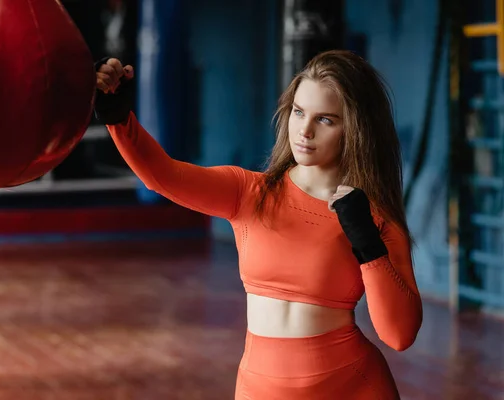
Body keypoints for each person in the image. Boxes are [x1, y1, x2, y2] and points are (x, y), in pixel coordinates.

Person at [93, 50, 423, 399]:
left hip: (352, 386)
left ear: (355, 129)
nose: (305, 131)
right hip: (259, 387)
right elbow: (163, 175)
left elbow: (399, 335)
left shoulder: (373, 217)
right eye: (299, 112)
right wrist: (119, 118)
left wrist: (366, 241)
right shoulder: (249, 193)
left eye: (325, 120)